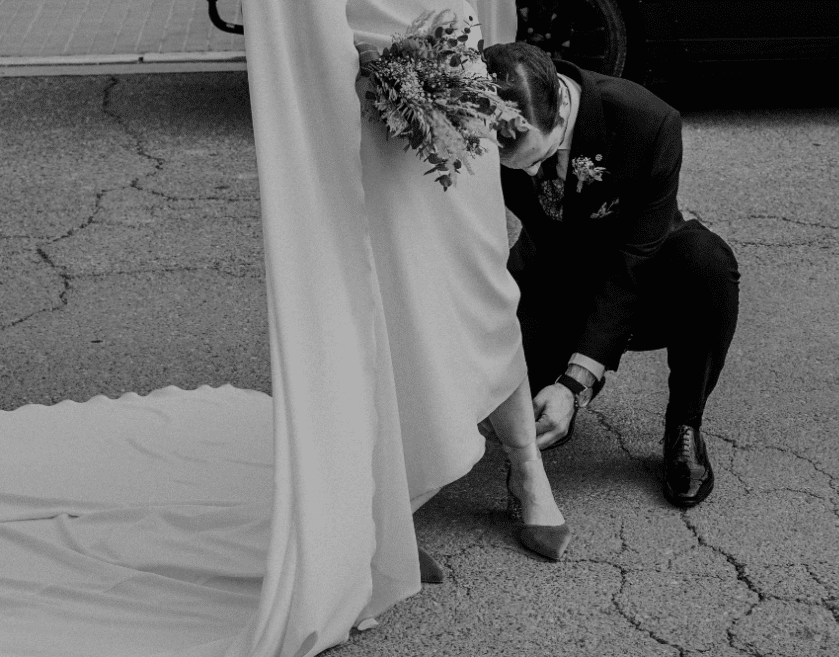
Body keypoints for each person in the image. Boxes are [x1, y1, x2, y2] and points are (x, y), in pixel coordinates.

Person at [0, 3, 566, 657]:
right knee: (389, 310)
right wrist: (342, 77)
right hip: (373, 88)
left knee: (483, 287)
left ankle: (528, 473)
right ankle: (379, 530)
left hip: (456, 69)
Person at [482, 42, 741, 509]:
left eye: (539, 158)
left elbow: (634, 262)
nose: (533, 174)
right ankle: (549, 397)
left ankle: (684, 425)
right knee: (517, 401)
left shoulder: (649, 122)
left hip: (643, 276)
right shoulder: (473, 120)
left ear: (561, 110)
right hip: (555, 274)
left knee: (708, 264)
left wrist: (576, 383)